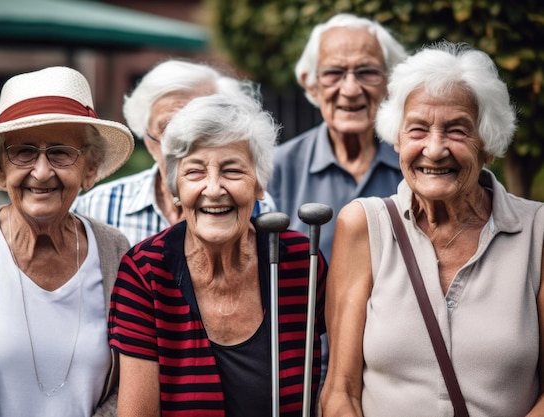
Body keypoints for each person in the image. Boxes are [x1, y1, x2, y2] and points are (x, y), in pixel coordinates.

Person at [320, 41, 544, 417]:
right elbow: (341, 391)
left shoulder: (537, 232)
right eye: (418, 130)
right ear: (398, 140)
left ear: (488, 144)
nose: (435, 149)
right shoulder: (363, 226)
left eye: (456, 130)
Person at [0, 66, 134, 417]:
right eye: (24, 152)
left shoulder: (115, 251)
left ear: (90, 168)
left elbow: (130, 379)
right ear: (2, 167)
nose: (42, 172)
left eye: (61, 153)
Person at [108, 92, 328, 417]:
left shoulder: (299, 262)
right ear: (175, 189)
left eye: (232, 171)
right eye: (195, 172)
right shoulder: (145, 271)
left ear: (260, 183)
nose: (213, 189)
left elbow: (342, 384)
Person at [71, 59, 276, 245]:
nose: (181, 148)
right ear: (146, 137)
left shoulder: (260, 208)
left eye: (204, 129)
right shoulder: (94, 208)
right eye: (168, 129)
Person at [267, 13, 408, 262]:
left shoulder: (413, 163)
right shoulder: (276, 168)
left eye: (367, 72)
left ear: (389, 82)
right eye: (334, 73)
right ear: (311, 84)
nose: (351, 90)